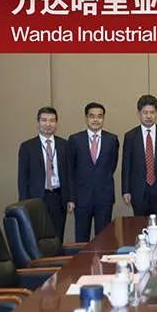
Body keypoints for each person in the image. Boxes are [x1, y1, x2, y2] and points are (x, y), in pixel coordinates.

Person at [67, 102, 119, 242]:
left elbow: (112, 165)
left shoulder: (112, 140)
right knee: (81, 239)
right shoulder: (75, 140)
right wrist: (71, 198)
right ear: (86, 118)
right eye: (92, 116)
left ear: (103, 118)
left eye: (99, 116)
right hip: (82, 198)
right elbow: (70, 171)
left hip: (104, 197)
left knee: (104, 239)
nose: (96, 120)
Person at [18, 106, 69, 242]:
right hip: (36, 199)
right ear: (38, 122)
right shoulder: (27, 147)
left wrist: (70, 198)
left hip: (58, 197)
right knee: (38, 238)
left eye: (52, 120)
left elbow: (69, 174)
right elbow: (22, 178)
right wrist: (23, 203)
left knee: (58, 237)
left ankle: (57, 257)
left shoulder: (64, 145)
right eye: (44, 120)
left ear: (56, 123)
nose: (48, 124)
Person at [122, 95, 157, 216]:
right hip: (138, 190)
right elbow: (126, 165)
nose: (149, 116)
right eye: (145, 112)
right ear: (138, 114)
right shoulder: (130, 136)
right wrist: (126, 190)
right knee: (140, 224)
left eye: (152, 112)